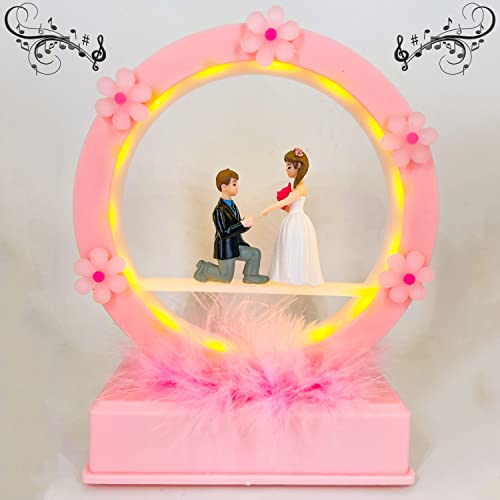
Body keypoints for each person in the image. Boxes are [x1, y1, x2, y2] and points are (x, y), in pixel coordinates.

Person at [261, 148, 324, 286]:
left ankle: (296, 276)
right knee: (289, 247)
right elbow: (289, 206)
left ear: (299, 166)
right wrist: (284, 206)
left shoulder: (300, 188)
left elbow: (287, 201)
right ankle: (287, 275)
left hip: (297, 221)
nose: (286, 169)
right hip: (292, 219)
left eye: (289, 166)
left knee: (296, 248)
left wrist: (268, 209)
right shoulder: (296, 186)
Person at [194, 168, 269, 284]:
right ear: (224, 187)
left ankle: (250, 275)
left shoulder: (232, 205)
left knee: (254, 253)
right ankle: (203, 268)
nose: (237, 187)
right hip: (226, 249)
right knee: (225, 278)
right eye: (234, 184)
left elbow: (236, 228)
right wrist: (242, 224)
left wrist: (245, 225)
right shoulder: (219, 210)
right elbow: (223, 233)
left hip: (236, 246)